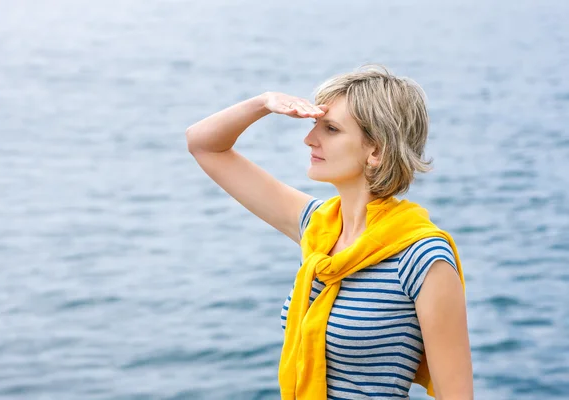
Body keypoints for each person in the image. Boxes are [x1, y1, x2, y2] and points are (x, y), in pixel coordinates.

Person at [185, 64, 473, 400]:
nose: (310, 139)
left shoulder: (423, 259)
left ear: (376, 151)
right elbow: (203, 144)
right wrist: (263, 103)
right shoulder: (318, 227)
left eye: (331, 129)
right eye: (315, 125)